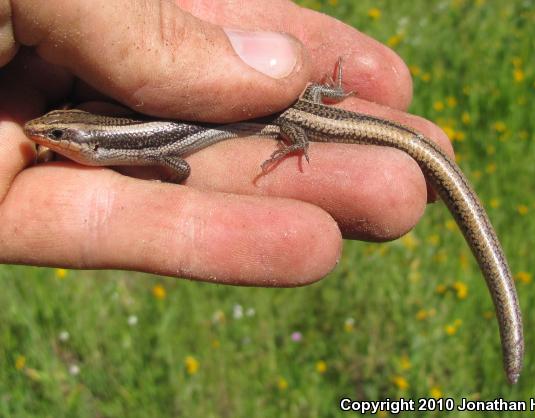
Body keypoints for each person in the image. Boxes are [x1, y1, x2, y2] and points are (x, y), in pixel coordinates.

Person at [0, 0, 453, 285]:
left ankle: (302, 137)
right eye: (51, 133)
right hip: (302, 107)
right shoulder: (120, 142)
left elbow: (182, 168)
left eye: (57, 134)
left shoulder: (135, 149)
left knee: (308, 133)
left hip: (292, 121)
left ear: (93, 145)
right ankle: (323, 106)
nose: (42, 135)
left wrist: (164, 175)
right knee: (316, 100)